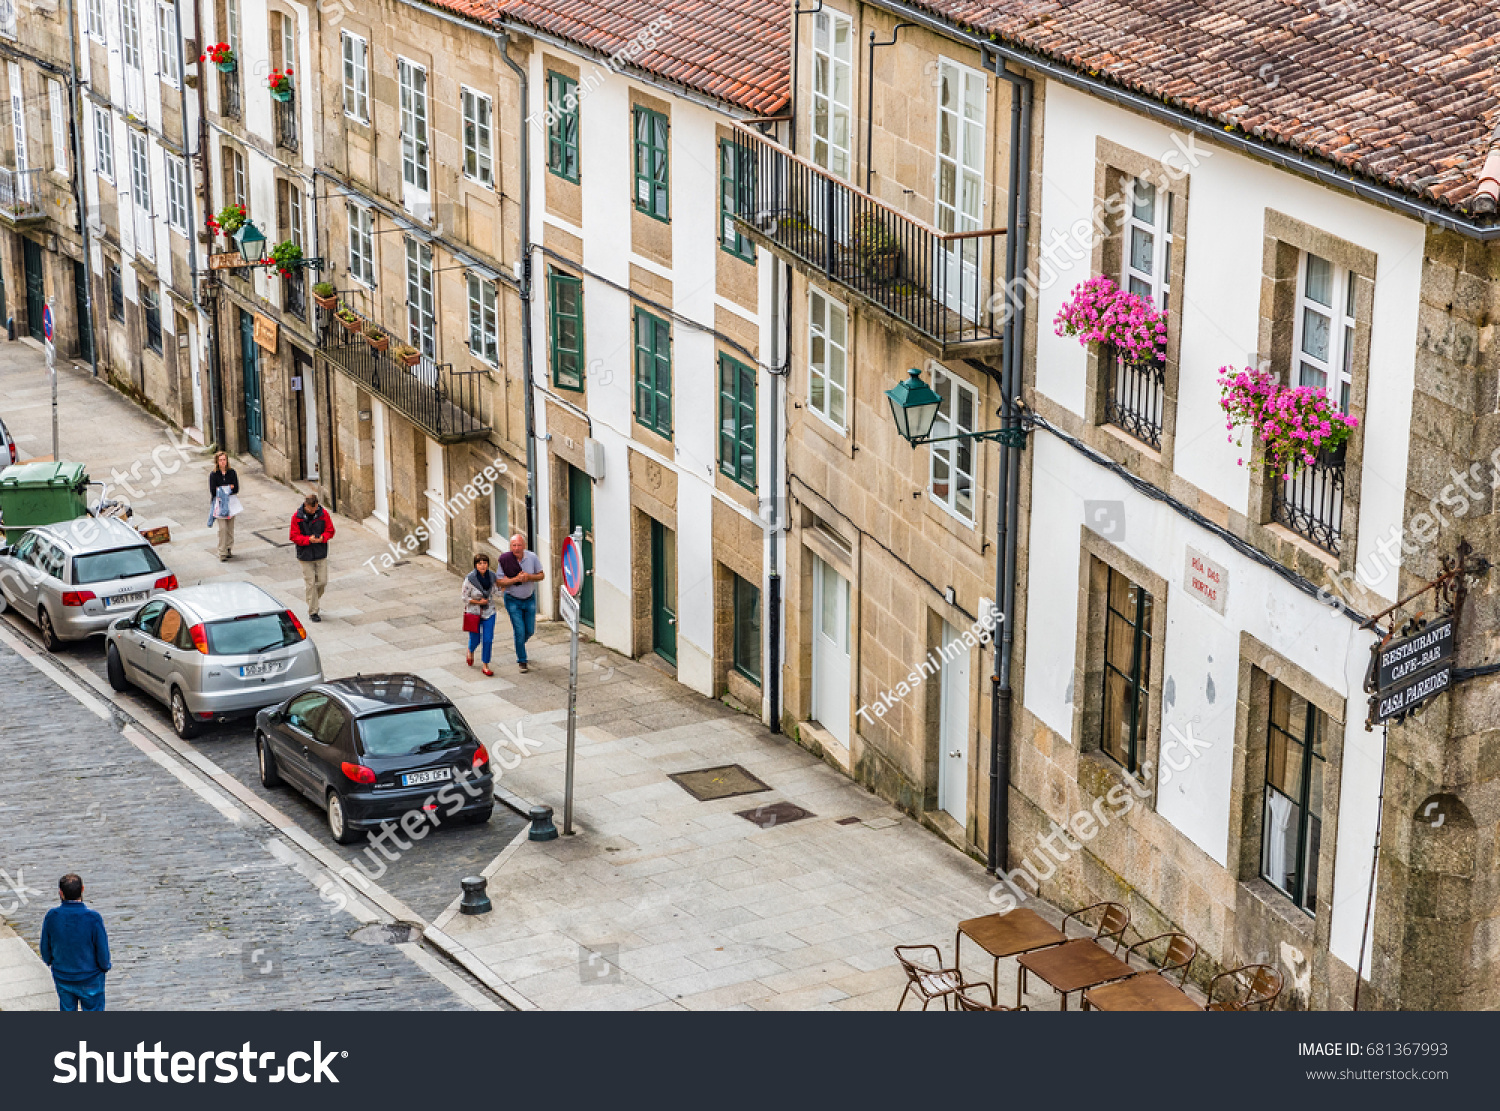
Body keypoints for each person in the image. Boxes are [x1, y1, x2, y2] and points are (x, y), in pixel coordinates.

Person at [39, 874, 111, 1012]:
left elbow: (45, 948)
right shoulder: (93, 918)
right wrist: (105, 967)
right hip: (90, 977)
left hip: (63, 975)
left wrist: (50, 962)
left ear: (60, 892)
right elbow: (102, 951)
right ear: (82, 889)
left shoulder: (52, 916)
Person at [498, 533, 545, 673]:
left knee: (529, 630)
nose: (516, 548)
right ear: (510, 547)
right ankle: (522, 660)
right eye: (514, 545)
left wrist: (529, 577)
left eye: (519, 545)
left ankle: (519, 644)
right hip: (512, 600)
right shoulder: (505, 560)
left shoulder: (532, 557)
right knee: (519, 630)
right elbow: (500, 581)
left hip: (529, 598)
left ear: (524, 546)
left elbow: (541, 575)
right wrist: (516, 579)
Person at [289, 493, 335, 622]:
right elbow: (293, 536)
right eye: (310, 509)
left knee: (322, 581)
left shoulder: (323, 514)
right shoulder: (297, 517)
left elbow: (330, 530)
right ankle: (313, 611)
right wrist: (307, 540)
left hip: (320, 552)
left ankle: (312, 599)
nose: (312, 511)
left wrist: (323, 537)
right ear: (306, 505)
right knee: (310, 583)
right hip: (305, 555)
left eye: (314, 509)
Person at [462, 553, 499, 677]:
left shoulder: (492, 576)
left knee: (488, 640)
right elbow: (464, 598)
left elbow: (496, 591)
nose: (482, 566)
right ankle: (470, 650)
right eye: (479, 563)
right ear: (475, 565)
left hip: (489, 611)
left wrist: (508, 585)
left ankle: (485, 665)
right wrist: (478, 602)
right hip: (474, 613)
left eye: (485, 563)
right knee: (475, 639)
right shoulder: (469, 579)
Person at [208, 451, 240, 562]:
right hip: (220, 504)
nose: (223, 462)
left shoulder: (232, 473)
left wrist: (222, 489)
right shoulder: (213, 475)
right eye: (220, 460)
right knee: (223, 529)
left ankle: (228, 548)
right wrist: (227, 488)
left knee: (230, 529)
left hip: (231, 503)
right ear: (217, 462)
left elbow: (236, 489)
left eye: (224, 460)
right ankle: (222, 552)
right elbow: (213, 491)